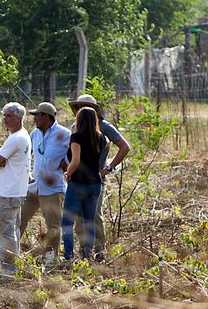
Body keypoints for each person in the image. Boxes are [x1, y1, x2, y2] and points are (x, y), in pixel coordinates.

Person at [67, 94, 131, 260]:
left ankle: (99, 251)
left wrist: (108, 168)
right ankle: (84, 252)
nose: (78, 110)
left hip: (95, 181)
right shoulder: (75, 127)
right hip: (77, 180)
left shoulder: (104, 127)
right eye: (77, 107)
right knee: (80, 217)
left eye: (82, 107)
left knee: (94, 216)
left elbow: (124, 147)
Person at [19, 102, 71, 262]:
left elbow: (73, 157)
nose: (35, 118)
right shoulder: (35, 133)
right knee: (19, 219)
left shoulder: (65, 134)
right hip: (34, 186)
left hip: (53, 188)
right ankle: (10, 252)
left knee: (53, 226)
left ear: (47, 117)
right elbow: (28, 154)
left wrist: (65, 166)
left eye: (38, 115)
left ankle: (50, 259)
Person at [0, 102, 31, 274]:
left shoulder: (15, 138)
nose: (4, 119)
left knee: (6, 231)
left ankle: (8, 270)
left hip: (8, 192)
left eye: (8, 116)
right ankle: (13, 266)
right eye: (3, 115)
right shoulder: (21, 135)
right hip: (14, 190)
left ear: (19, 118)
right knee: (12, 228)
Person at [61, 107, 107, 261]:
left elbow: (75, 161)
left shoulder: (76, 137)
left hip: (78, 184)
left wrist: (68, 173)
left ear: (78, 120)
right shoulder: (101, 137)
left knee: (67, 221)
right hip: (95, 184)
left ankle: (68, 256)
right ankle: (87, 256)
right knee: (89, 221)